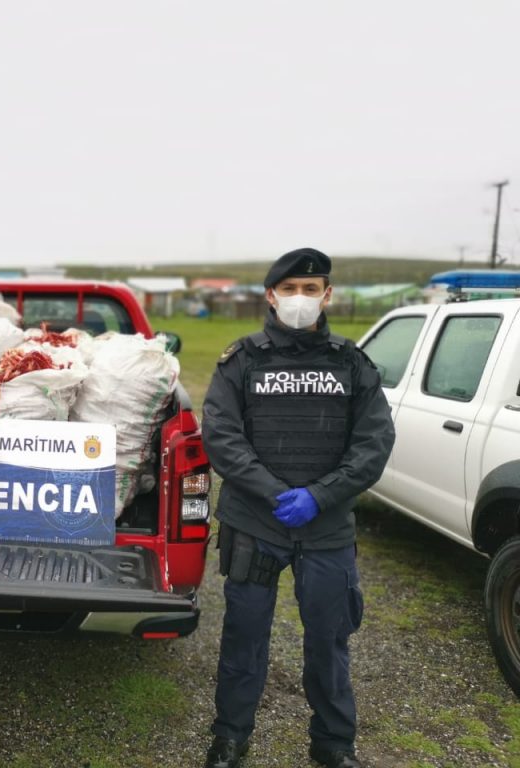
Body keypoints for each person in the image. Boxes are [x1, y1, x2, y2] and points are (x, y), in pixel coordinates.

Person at [201, 248, 395, 768]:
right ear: (271, 296)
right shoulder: (242, 360)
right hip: (255, 523)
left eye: (311, 289)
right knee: (244, 636)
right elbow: (221, 436)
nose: (300, 298)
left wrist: (320, 496)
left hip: (325, 527)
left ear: (327, 296)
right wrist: (273, 491)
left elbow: (374, 443)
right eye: (290, 289)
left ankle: (333, 743)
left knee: (330, 640)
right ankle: (230, 737)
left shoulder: (351, 363)